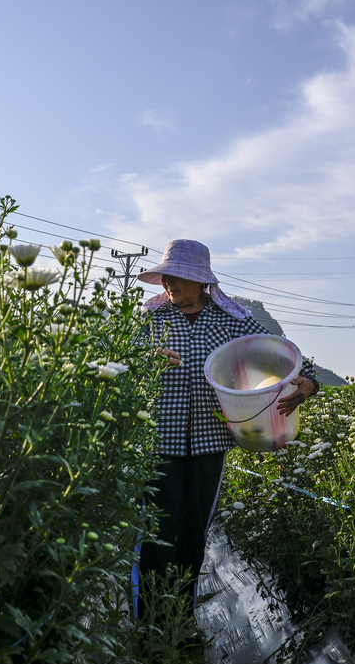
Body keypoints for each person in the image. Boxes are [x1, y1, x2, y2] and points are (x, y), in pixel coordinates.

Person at [135, 239, 319, 619]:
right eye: (167, 278)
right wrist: (148, 357)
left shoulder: (231, 321)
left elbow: (285, 354)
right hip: (157, 441)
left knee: (192, 534)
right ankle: (150, 623)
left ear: (202, 282)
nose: (171, 286)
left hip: (209, 442)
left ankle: (180, 621)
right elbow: (115, 356)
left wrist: (309, 383)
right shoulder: (151, 320)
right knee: (156, 534)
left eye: (180, 279)